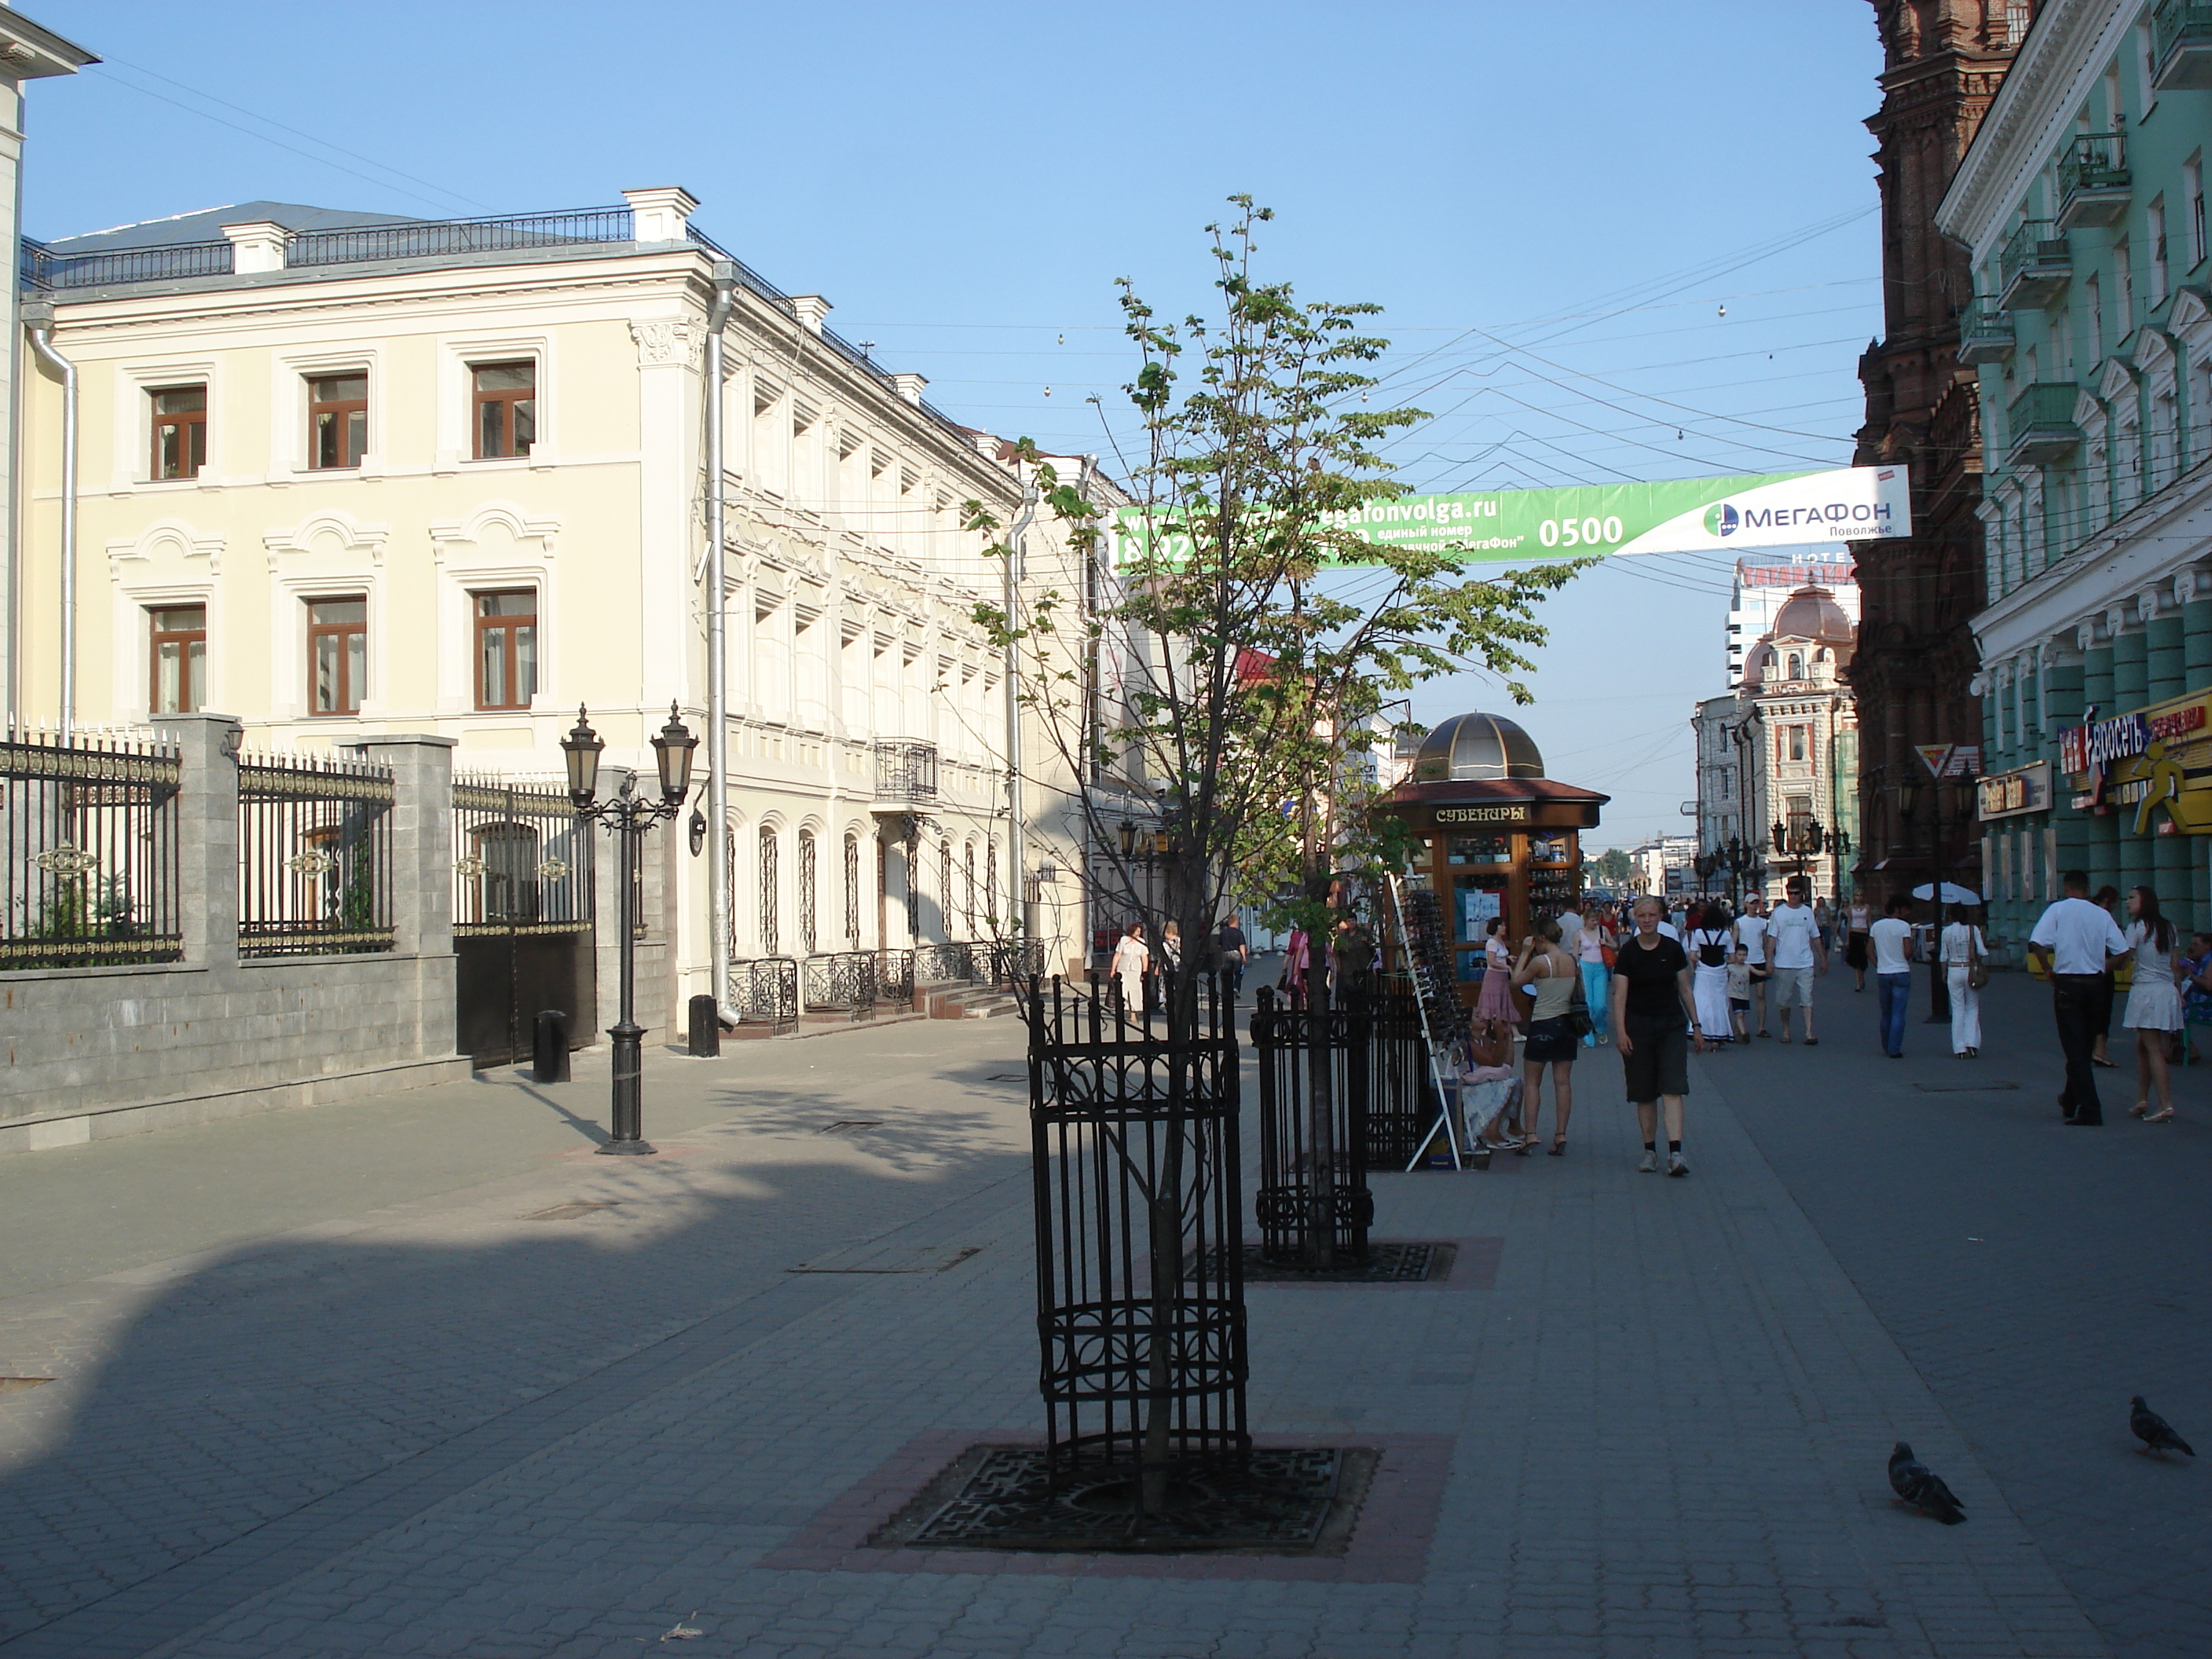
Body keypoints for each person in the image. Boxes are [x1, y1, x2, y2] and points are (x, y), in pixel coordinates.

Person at [1610, 895, 1705, 1176]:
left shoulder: (1673, 949)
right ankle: (1649, 1150)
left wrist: (1696, 1026)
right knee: (1644, 1092)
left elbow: (1685, 989)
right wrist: (1621, 1032)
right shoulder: (1628, 953)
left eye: (1652, 915)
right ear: (1635, 919)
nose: (1648, 920)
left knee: (1673, 1087)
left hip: (1671, 1025)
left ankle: (1676, 1153)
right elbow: (1620, 996)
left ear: (1660, 917)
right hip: (1639, 1026)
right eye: (1642, 916)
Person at [2027, 870, 2130, 1126]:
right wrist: (2103, 966)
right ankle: (2071, 1099)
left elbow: (2038, 942)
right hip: (2095, 984)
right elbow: (2123, 952)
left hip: (2068, 983)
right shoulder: (2101, 914)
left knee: (2075, 1047)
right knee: (2084, 1044)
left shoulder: (2058, 910)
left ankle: (2090, 1108)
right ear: (2087, 888)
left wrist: (2047, 968)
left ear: (2066, 887)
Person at [1513, 920, 1580, 1155]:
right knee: (1563, 1082)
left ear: (1541, 938)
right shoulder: (1571, 961)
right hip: (1567, 1024)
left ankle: (1531, 1134)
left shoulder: (1540, 962)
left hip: (1543, 1023)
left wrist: (1524, 953)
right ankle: (1561, 1134)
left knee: (1533, 1081)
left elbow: (1516, 982)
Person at [2120, 885, 2183, 1122]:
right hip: (2166, 990)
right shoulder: (2169, 927)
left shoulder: (2136, 927)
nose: (2127, 902)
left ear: (2144, 901)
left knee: (2153, 1048)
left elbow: (2125, 958)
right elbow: (2175, 964)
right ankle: (2141, 1098)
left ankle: (2165, 1103)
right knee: (2143, 1046)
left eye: (2132, 897)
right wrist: (2179, 993)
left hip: (2146, 991)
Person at [1767, 875, 1828, 1044]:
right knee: (1783, 1000)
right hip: (1784, 963)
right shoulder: (1779, 913)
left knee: (1807, 998)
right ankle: (1786, 1029)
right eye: (1790, 893)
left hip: (1805, 962)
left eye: (1796, 893)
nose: (1793, 896)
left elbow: (1815, 937)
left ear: (1802, 894)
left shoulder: (1807, 912)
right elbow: (1771, 938)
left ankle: (1809, 1032)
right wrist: (1769, 960)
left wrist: (1823, 958)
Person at [1869, 895, 1915, 1058]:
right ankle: (1894, 1048)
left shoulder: (1876, 926)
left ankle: (1886, 1044)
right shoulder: (1904, 926)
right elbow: (1908, 950)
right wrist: (1903, 959)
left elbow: (1869, 950)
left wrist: (1879, 963)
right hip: (1901, 970)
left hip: (1883, 972)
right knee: (1898, 1012)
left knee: (1886, 1012)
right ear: (1898, 909)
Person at [1939, 906, 1989, 1057]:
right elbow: (1982, 951)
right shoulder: (1973, 930)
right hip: (1970, 970)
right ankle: (1972, 1043)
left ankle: (1959, 1047)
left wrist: (1944, 973)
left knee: (1957, 1008)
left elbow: (1943, 956)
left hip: (1953, 969)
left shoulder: (1946, 932)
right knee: (1972, 1006)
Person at [1686, 903, 1734, 1048]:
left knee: (1702, 1002)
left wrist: (1698, 962)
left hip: (1704, 971)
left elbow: (1693, 955)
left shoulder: (1699, 934)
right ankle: (1719, 1034)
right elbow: (1732, 958)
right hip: (1720, 971)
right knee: (1719, 1002)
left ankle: (1700, 1031)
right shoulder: (1726, 935)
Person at [2089, 884, 2122, 1068]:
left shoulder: (2087, 913)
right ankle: (2100, 1050)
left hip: (2084, 967)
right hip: (2103, 967)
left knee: (2089, 1009)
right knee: (2103, 1010)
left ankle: (2091, 1048)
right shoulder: (2106, 918)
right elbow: (2119, 947)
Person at [1576, 901, 1616, 1049]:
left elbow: (1615, 946)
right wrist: (1575, 970)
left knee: (1600, 1004)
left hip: (1600, 967)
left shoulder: (1603, 930)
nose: (1595, 923)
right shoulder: (1579, 934)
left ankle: (1599, 1025)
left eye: (1596, 920)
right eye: (1592, 920)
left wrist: (1606, 943)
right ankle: (1588, 1032)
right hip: (1585, 967)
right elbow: (1575, 954)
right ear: (1585, 920)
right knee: (1589, 1003)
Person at [1734, 893, 1771, 1037]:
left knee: (1761, 995)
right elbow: (1734, 941)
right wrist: (1733, 959)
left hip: (1759, 960)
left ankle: (1761, 1027)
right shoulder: (1740, 922)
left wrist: (1769, 960)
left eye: (1756, 903)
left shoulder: (1762, 922)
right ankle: (1738, 1028)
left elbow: (1766, 942)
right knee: (1741, 996)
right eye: (1752, 903)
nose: (1754, 906)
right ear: (1746, 904)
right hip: (1744, 962)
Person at [1474, 914, 1518, 1026]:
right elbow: (1492, 961)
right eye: (1502, 926)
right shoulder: (1492, 942)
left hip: (1502, 977)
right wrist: (1507, 967)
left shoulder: (1500, 942)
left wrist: (1508, 957)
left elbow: (1500, 955)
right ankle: (1483, 1032)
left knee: (1504, 1003)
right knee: (1492, 1004)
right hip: (1494, 976)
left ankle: (1513, 1032)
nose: (1505, 928)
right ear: (1496, 928)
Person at [1110, 922, 1149, 1018]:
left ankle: (1134, 1013)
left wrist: (1144, 971)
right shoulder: (1124, 940)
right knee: (1123, 991)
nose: (1138, 933)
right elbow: (1118, 955)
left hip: (1136, 971)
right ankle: (1122, 1011)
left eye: (1140, 932)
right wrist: (1113, 969)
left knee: (1135, 992)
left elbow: (1144, 958)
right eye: (1137, 931)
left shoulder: (1142, 942)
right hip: (1123, 969)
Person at [1216, 915, 1250, 999]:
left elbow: (1219, 945)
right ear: (1236, 922)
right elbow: (1242, 946)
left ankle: (1227, 990)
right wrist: (1244, 957)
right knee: (1239, 972)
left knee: (1227, 972)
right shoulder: (1239, 933)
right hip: (1236, 954)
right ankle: (1236, 987)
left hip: (1226, 953)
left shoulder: (1224, 932)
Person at [1845, 895, 1873, 991]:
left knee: (1863, 959)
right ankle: (1858, 982)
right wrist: (1848, 939)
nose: (1859, 897)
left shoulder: (1867, 907)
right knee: (1855, 959)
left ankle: (1862, 977)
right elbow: (1849, 922)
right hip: (1854, 933)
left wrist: (1872, 934)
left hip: (1864, 933)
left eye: (1861, 895)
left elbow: (1869, 921)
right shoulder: (1851, 908)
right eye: (1857, 895)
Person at [1726, 946, 1752, 1043]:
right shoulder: (1730, 967)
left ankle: (1735, 1033)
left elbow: (1756, 972)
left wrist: (1766, 972)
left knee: (1741, 1015)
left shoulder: (1748, 967)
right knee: (1739, 1014)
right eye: (1740, 955)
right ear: (1735, 955)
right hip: (1734, 994)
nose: (1742, 957)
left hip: (1744, 995)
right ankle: (1744, 1033)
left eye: (1744, 955)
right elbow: (1726, 977)